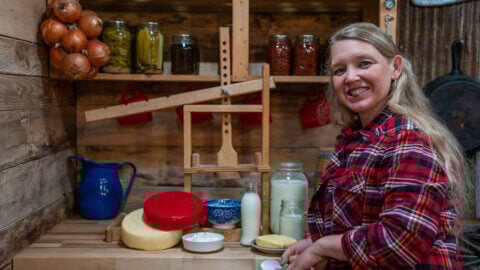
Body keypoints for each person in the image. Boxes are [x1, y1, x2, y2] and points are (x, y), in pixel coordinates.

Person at [281, 22, 465, 269]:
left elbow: (400, 243)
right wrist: (317, 242)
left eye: (364, 63)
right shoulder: (359, 139)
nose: (350, 77)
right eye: (339, 70)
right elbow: (354, 225)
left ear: (395, 68)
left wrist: (322, 247)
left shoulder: (407, 139)